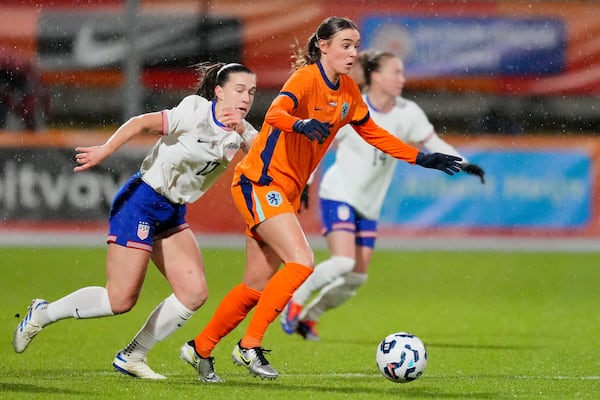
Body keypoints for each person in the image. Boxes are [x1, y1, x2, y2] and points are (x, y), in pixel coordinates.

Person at [179, 16, 463, 382]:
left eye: (356, 46)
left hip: (284, 191)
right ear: (323, 46)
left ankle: (199, 348)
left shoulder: (347, 92)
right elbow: (277, 112)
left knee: (255, 287)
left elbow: (374, 133)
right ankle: (249, 345)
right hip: (260, 182)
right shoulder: (306, 78)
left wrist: (421, 157)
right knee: (301, 262)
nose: (353, 52)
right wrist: (298, 124)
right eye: (345, 44)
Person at [12, 62, 258, 381]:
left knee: (194, 293)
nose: (245, 98)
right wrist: (105, 150)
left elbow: (264, 157)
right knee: (120, 300)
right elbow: (141, 122)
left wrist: (241, 132)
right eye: (239, 90)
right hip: (141, 202)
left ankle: (133, 356)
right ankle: (43, 312)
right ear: (219, 92)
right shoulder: (194, 112)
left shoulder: (241, 130)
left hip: (171, 211)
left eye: (251, 92)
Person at [280, 50, 485, 341]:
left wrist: (465, 164)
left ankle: (309, 318)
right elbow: (319, 145)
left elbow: (433, 143)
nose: (402, 79)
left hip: (369, 204)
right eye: (396, 72)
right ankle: (294, 301)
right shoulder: (352, 105)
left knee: (356, 278)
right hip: (339, 193)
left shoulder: (408, 113)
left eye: (402, 73)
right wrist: (306, 182)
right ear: (375, 76)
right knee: (343, 262)